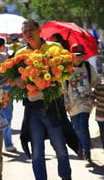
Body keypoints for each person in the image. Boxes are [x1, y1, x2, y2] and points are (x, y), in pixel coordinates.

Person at [14, 19, 72, 180]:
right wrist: (16, 80)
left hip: (54, 105)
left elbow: (66, 71)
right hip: (33, 110)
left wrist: (52, 76)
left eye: (31, 29)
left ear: (39, 30)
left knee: (60, 148)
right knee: (37, 152)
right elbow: (10, 77)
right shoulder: (19, 55)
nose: (28, 34)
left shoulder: (55, 48)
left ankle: (66, 177)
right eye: (25, 32)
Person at [64, 43, 101, 167]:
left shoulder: (87, 66)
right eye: (77, 55)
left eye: (81, 55)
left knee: (83, 126)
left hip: (86, 102)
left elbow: (96, 81)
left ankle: (87, 155)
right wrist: (66, 104)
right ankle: (81, 145)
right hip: (73, 105)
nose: (80, 58)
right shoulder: (66, 69)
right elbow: (63, 89)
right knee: (77, 129)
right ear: (71, 55)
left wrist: (98, 93)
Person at [50, 34, 83, 158]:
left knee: (65, 123)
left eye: (56, 42)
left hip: (67, 93)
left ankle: (78, 146)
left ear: (61, 42)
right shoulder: (50, 54)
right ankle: (70, 146)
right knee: (60, 123)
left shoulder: (66, 57)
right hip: (55, 94)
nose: (53, 44)